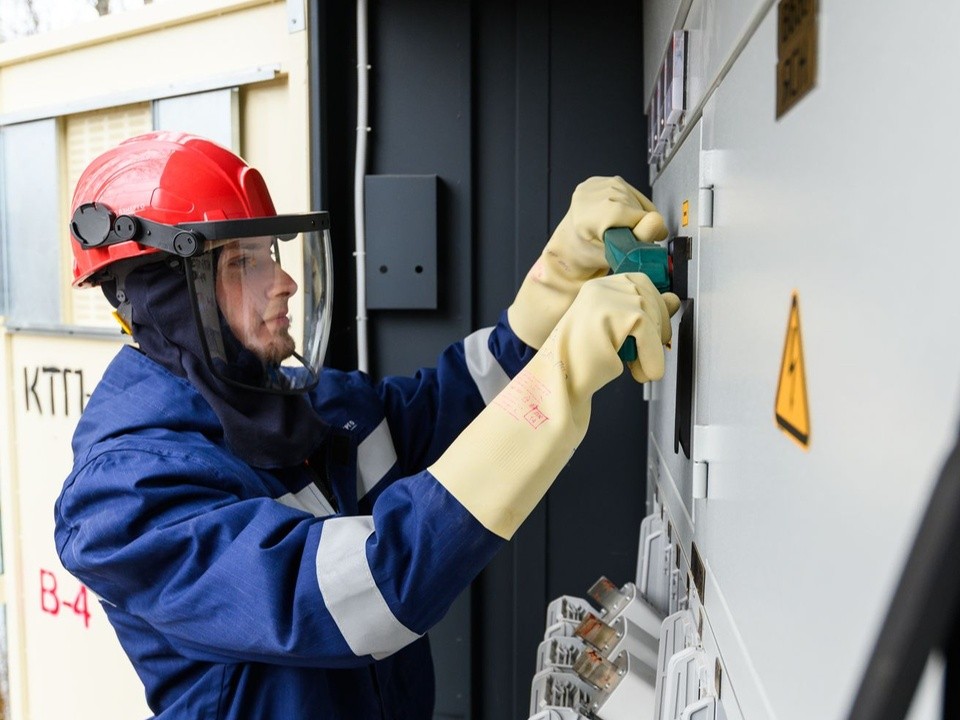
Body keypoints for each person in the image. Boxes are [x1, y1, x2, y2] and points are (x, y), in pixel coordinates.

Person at [54, 131, 680, 719]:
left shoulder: (300, 408)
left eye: (270, 253)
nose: (286, 282)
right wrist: (559, 379)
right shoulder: (127, 501)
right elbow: (373, 588)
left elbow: (448, 410)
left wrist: (554, 292)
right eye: (242, 264)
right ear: (169, 299)